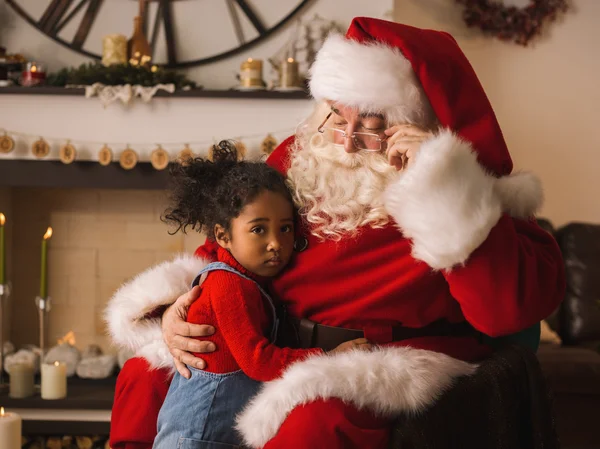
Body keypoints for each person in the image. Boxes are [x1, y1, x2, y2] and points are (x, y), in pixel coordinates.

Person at [106, 17, 565, 449]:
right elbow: (224, 249)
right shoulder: (298, 156)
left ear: (418, 127)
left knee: (312, 421)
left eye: (370, 128)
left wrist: (441, 183)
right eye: (336, 118)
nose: (344, 143)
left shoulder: (466, 190)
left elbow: (506, 312)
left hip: (374, 359)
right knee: (145, 379)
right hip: (271, 342)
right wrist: (173, 313)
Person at [151, 142, 368, 448]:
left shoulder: (253, 281)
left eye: (285, 229)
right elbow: (258, 361)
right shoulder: (227, 285)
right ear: (223, 236)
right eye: (258, 230)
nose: (275, 243)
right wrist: (330, 358)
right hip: (196, 437)